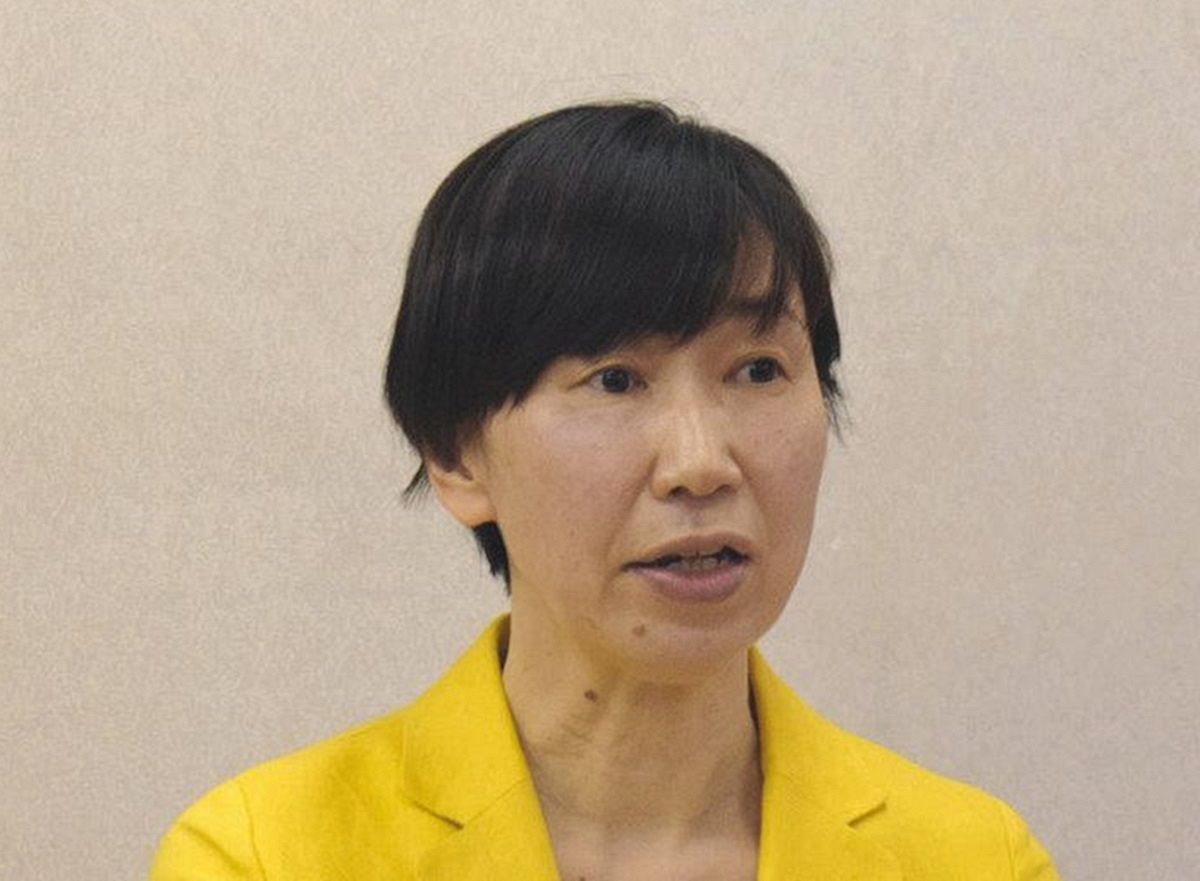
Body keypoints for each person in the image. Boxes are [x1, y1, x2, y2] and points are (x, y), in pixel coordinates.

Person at [149, 99, 1061, 880]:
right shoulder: (267, 854)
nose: (701, 463)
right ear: (458, 455)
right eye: (616, 380)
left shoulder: (973, 857)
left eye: (758, 369)